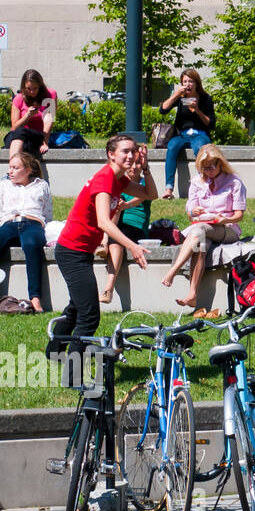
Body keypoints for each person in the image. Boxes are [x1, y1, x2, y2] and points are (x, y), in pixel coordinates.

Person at [49, 136, 153, 355]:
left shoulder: (119, 180)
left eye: (133, 151)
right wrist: (132, 246)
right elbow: (103, 221)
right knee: (89, 315)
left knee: (77, 307)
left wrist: (146, 169)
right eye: (125, 151)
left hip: (82, 252)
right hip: (71, 252)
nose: (131, 155)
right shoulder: (105, 178)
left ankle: (54, 352)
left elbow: (150, 194)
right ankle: (73, 374)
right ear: (111, 154)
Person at [161, 144, 246, 308]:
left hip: (227, 229)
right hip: (203, 228)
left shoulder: (234, 182)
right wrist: (194, 211)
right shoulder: (196, 182)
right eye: (204, 168)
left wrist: (225, 220)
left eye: (212, 167)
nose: (208, 171)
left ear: (220, 163)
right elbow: (190, 213)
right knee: (201, 245)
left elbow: (239, 215)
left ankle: (174, 270)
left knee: (199, 231)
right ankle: (192, 294)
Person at [0, 150, 52, 311]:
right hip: (9, 223)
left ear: (28, 170)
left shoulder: (41, 185)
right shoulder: (4, 185)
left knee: (31, 245)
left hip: (32, 223)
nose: (10, 171)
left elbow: (47, 213)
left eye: (15, 168)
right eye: (10, 167)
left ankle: (35, 298)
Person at [99, 164, 152, 305]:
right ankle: (105, 240)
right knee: (116, 207)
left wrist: (126, 204)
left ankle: (108, 288)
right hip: (116, 225)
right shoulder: (119, 181)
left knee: (116, 240)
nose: (134, 168)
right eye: (132, 164)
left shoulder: (144, 181)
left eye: (138, 164)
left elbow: (143, 196)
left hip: (136, 226)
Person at [159, 68, 215, 199]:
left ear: (196, 83)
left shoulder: (205, 99)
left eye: (191, 81)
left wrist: (197, 110)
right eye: (185, 82)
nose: (188, 84)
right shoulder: (180, 98)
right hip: (182, 135)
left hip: (200, 134)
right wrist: (175, 95)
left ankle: (205, 184)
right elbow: (163, 110)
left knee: (199, 148)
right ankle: (168, 188)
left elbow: (211, 124)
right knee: (172, 146)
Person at [6, 69, 56, 156]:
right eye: (28, 89)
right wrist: (27, 116)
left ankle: (13, 167)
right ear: (23, 87)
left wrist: (45, 142)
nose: (32, 92)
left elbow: (49, 120)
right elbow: (14, 127)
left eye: (35, 88)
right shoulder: (18, 99)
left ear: (40, 86)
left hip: (37, 136)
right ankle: (15, 166)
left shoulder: (50, 95)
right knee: (15, 135)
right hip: (18, 136)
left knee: (20, 134)